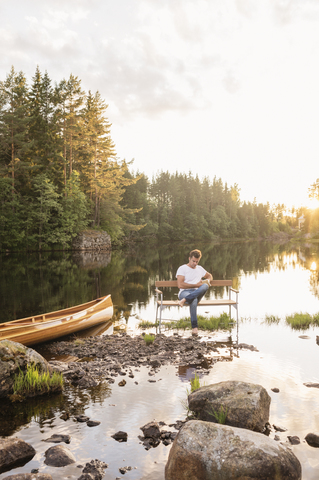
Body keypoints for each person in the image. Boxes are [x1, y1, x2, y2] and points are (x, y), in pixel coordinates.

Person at [176, 249, 213, 336]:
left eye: (197, 261)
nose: (195, 263)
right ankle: (195, 328)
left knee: (206, 286)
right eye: (193, 261)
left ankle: (185, 300)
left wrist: (206, 281)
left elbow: (209, 276)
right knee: (194, 300)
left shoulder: (200, 268)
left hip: (197, 292)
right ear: (189, 258)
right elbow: (180, 285)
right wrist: (196, 285)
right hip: (184, 292)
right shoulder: (182, 268)